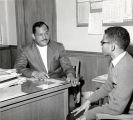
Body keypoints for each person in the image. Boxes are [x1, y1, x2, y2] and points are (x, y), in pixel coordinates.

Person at [67, 26, 133, 120]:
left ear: (112, 46)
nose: (101, 45)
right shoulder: (117, 60)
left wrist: (88, 115)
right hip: (114, 108)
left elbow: (117, 108)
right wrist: (89, 101)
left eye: (103, 42)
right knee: (72, 115)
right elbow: (107, 86)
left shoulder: (126, 66)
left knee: (73, 117)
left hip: (124, 113)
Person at [14, 21, 78, 86]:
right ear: (33, 36)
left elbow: (67, 66)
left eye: (46, 33)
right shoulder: (26, 50)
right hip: (37, 84)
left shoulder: (58, 47)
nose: (44, 37)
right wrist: (34, 73)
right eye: (40, 35)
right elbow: (18, 68)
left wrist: (70, 75)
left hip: (58, 83)